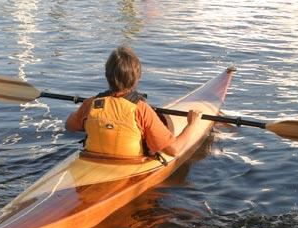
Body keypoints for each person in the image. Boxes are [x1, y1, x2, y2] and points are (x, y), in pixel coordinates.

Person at [66, 45, 202, 159]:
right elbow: (173, 150)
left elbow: (69, 125)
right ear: (137, 78)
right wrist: (191, 125)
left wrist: (88, 118)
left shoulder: (90, 104)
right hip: (129, 166)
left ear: (107, 75)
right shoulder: (141, 109)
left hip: (91, 161)